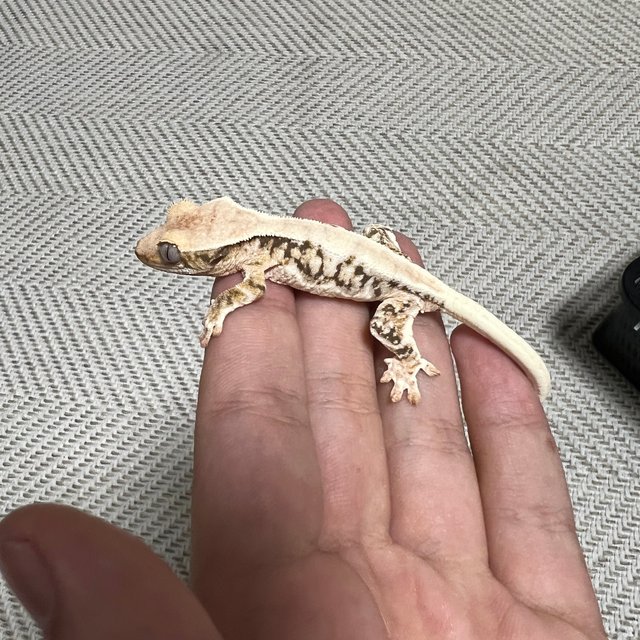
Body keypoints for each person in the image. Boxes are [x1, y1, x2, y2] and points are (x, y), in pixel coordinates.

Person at [0, 200, 606, 639]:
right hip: (379, 256)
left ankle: (408, 355)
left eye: (174, 255)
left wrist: (224, 307)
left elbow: (246, 290)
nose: (159, 253)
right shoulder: (258, 241)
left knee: (385, 330)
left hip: (393, 286)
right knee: (374, 246)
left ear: (221, 252)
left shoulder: (252, 261)